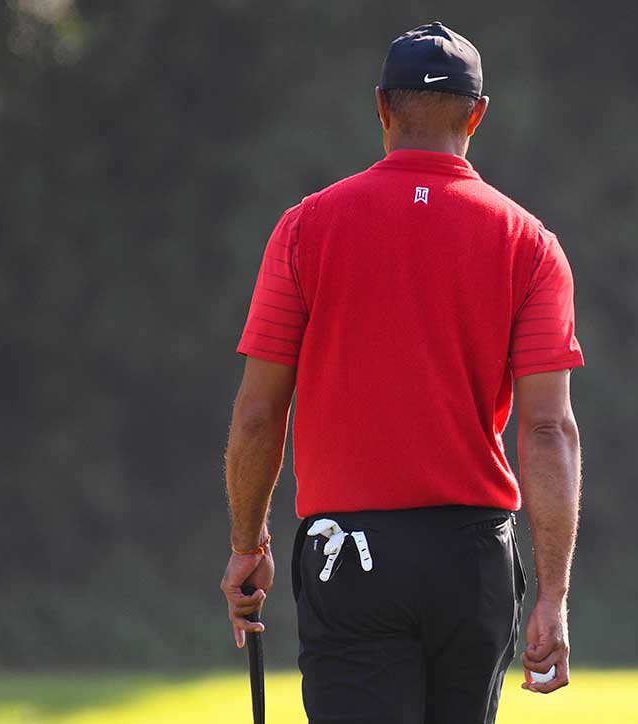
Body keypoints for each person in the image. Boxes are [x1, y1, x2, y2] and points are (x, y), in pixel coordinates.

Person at [220, 21, 583, 724]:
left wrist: (247, 546)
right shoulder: (529, 243)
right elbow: (549, 429)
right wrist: (553, 595)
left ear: (382, 107)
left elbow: (259, 414)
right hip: (471, 558)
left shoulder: (305, 228)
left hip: (349, 559)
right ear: (477, 115)